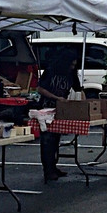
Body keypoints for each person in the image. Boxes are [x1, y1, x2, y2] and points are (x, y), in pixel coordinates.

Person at [36, 50, 82, 182]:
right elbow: (40, 88)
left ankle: (53, 166)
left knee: (55, 139)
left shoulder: (71, 74)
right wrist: (56, 97)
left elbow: (79, 89)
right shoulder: (50, 71)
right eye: (71, 65)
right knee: (47, 140)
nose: (72, 67)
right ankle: (48, 169)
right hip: (46, 108)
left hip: (60, 109)